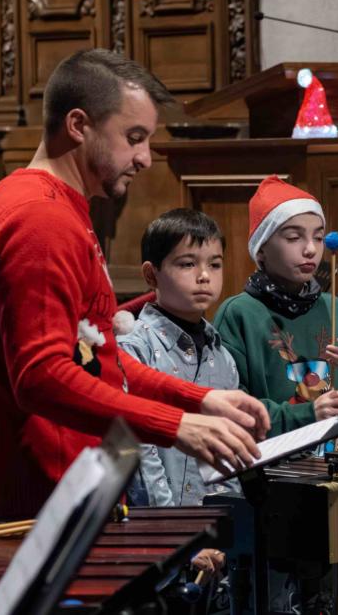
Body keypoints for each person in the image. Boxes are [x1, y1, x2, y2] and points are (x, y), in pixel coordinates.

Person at [0, 49, 269, 520]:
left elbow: (96, 360)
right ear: (78, 125)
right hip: (37, 500)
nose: (145, 158)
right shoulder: (40, 218)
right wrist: (177, 426)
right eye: (134, 137)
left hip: (68, 488)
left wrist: (200, 398)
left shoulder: (58, 208)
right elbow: (41, 376)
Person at [214, 176, 338, 437]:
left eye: (318, 238)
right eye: (293, 237)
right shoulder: (239, 313)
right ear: (261, 249)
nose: (310, 249)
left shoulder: (336, 310)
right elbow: (231, 411)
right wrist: (307, 414)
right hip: (272, 461)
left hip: (337, 459)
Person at [117, 209, 239, 576]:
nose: (204, 276)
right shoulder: (133, 349)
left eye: (215, 264)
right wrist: (174, 535)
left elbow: (229, 454)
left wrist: (223, 531)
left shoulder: (223, 358)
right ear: (151, 274)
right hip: (151, 541)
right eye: (187, 264)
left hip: (211, 543)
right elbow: (140, 452)